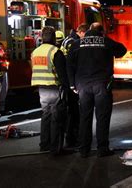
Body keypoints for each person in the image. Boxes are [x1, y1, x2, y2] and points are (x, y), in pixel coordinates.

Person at [67, 22, 126, 157]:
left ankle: (84, 149)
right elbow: (122, 50)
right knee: (102, 117)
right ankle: (102, 148)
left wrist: (72, 84)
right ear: (102, 32)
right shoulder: (105, 41)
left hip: (83, 85)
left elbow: (69, 64)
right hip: (102, 85)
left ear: (88, 30)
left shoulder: (77, 44)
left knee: (84, 117)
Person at [31, 26, 69, 155]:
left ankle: (44, 145)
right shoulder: (55, 51)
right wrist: (67, 88)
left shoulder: (35, 52)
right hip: (54, 87)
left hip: (41, 88)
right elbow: (62, 73)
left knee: (45, 116)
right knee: (56, 118)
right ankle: (56, 149)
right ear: (53, 37)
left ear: (42, 37)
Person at [59, 23, 88, 148]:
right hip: (72, 81)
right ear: (81, 32)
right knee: (73, 111)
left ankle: (73, 137)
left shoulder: (69, 40)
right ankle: (72, 138)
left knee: (72, 111)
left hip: (69, 80)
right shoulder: (73, 42)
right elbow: (72, 63)